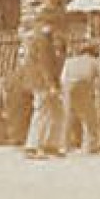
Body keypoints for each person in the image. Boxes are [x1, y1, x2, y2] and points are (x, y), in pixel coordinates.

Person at [20, 28, 63, 159]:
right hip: (42, 83)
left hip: (38, 82)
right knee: (43, 112)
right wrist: (51, 84)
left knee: (54, 112)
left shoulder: (35, 40)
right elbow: (45, 64)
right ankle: (33, 145)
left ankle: (50, 144)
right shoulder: (43, 41)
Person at [59, 40, 100, 155]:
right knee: (89, 118)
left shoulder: (69, 61)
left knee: (68, 117)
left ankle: (65, 145)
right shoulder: (95, 62)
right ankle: (89, 147)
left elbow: (63, 78)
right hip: (83, 85)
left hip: (69, 87)